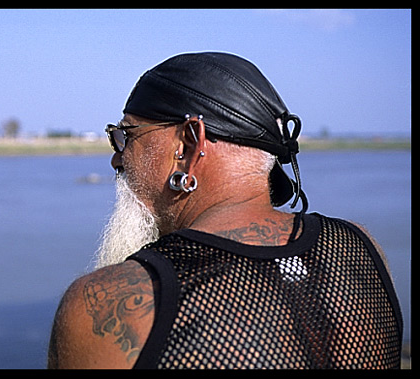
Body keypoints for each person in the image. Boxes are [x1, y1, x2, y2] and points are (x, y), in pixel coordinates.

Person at [47, 52, 402, 369]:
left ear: (187, 144)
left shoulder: (107, 303)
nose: (117, 158)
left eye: (126, 136)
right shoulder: (361, 249)